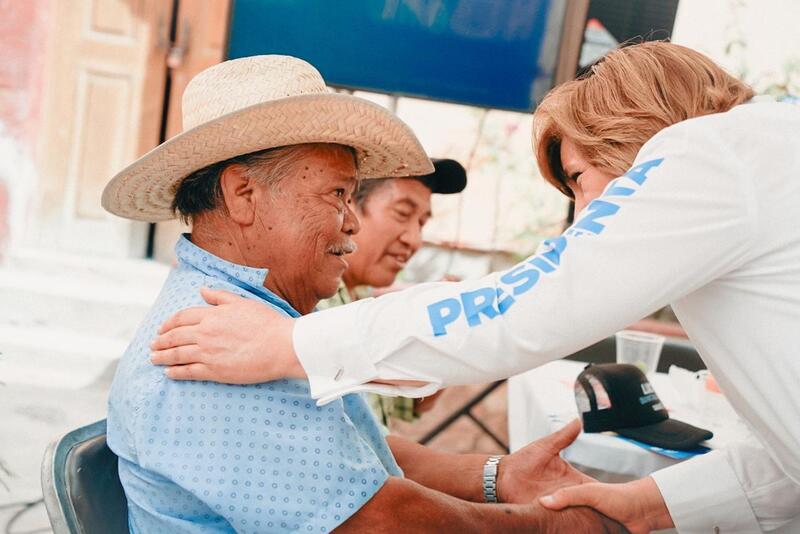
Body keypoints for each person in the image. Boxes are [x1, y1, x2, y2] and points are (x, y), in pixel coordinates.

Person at [152, 42, 800, 533]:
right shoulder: (760, 157)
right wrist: (637, 505)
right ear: (240, 194)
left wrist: (295, 343)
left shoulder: (709, 158)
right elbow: (787, 453)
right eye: (336, 195)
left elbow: (526, 309)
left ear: (629, 130)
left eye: (578, 177)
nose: (585, 213)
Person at [104, 55, 624, 533]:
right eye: (338, 195)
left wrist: (497, 477)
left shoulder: (251, 317)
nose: (351, 222)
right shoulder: (205, 346)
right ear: (244, 195)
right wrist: (548, 526)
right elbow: (377, 520)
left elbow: (357, 454)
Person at [318, 159, 467, 426]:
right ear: (349, 207)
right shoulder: (317, 306)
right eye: (402, 213)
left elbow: (411, 402)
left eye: (421, 223)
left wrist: (446, 327)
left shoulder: (360, 299)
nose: (414, 239)